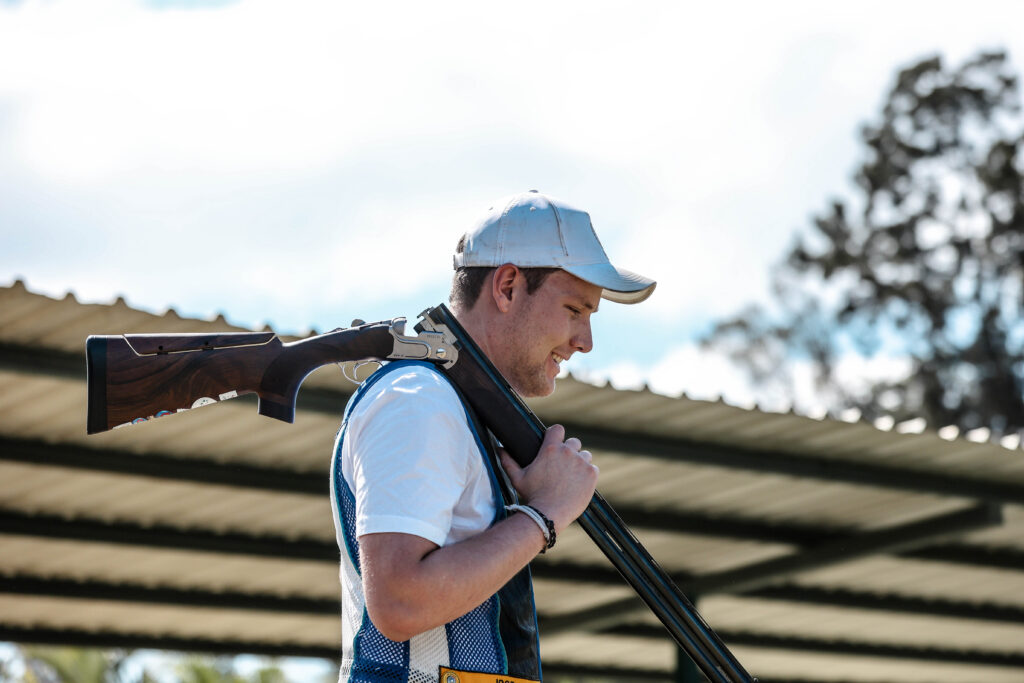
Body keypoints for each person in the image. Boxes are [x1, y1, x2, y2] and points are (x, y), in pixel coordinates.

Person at [330, 190, 656, 683]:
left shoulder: (451, 406)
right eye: (574, 309)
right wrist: (543, 515)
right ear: (506, 286)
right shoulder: (420, 398)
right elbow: (398, 601)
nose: (585, 341)